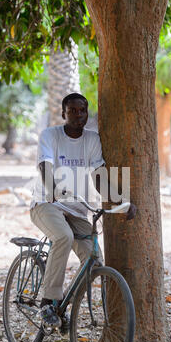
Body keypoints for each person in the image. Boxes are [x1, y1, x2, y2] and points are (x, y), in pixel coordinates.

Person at [30, 93, 136, 328]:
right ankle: (48, 300)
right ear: (63, 113)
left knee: (95, 261)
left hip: (77, 209)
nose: (79, 115)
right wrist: (53, 189)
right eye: (73, 111)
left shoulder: (92, 140)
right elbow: (44, 165)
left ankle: (61, 306)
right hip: (47, 204)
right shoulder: (50, 135)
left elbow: (99, 178)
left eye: (83, 110)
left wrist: (121, 201)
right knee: (64, 237)